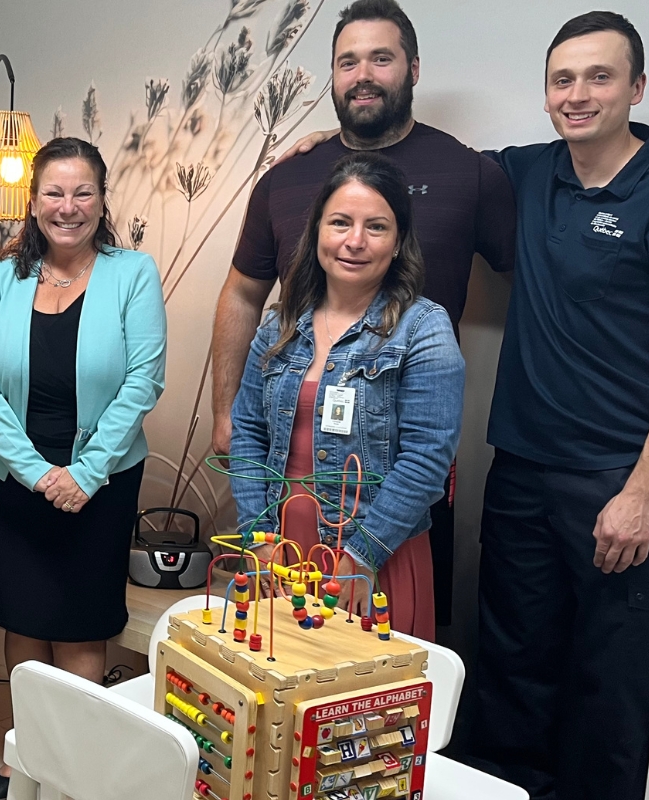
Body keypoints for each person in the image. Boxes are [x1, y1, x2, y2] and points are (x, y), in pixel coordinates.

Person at [465, 13, 649, 800]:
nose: (577, 95)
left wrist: (642, 493)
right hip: (519, 468)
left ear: (636, 88)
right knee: (511, 663)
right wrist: (323, 148)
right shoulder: (526, 172)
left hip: (614, 479)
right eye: (562, 79)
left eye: (599, 77)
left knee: (606, 682)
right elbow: (428, 172)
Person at [213, 0, 516, 627]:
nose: (364, 74)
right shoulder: (290, 178)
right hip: (281, 535)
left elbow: (530, 278)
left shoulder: (467, 171)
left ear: (412, 68)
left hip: (385, 519)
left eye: (382, 57)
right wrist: (224, 419)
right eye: (347, 61)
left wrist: (363, 549)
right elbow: (243, 294)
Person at [0, 136, 167, 799]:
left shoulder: (132, 272)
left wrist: (84, 472)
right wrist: (33, 470)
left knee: (81, 625)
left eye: (83, 192)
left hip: (100, 482)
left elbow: (145, 378)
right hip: (15, 476)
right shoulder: (1, 276)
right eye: (54, 192)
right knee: (22, 623)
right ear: (34, 200)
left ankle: (73, 767)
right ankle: (28, 753)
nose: (68, 206)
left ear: (102, 200)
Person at [228, 151, 464, 639]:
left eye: (376, 227)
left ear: (398, 242)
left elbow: (427, 460)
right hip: (276, 550)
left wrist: (363, 554)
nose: (354, 241)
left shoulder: (424, 328)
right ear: (317, 231)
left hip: (374, 555)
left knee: (354, 705)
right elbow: (247, 430)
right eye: (340, 223)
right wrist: (257, 537)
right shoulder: (279, 323)